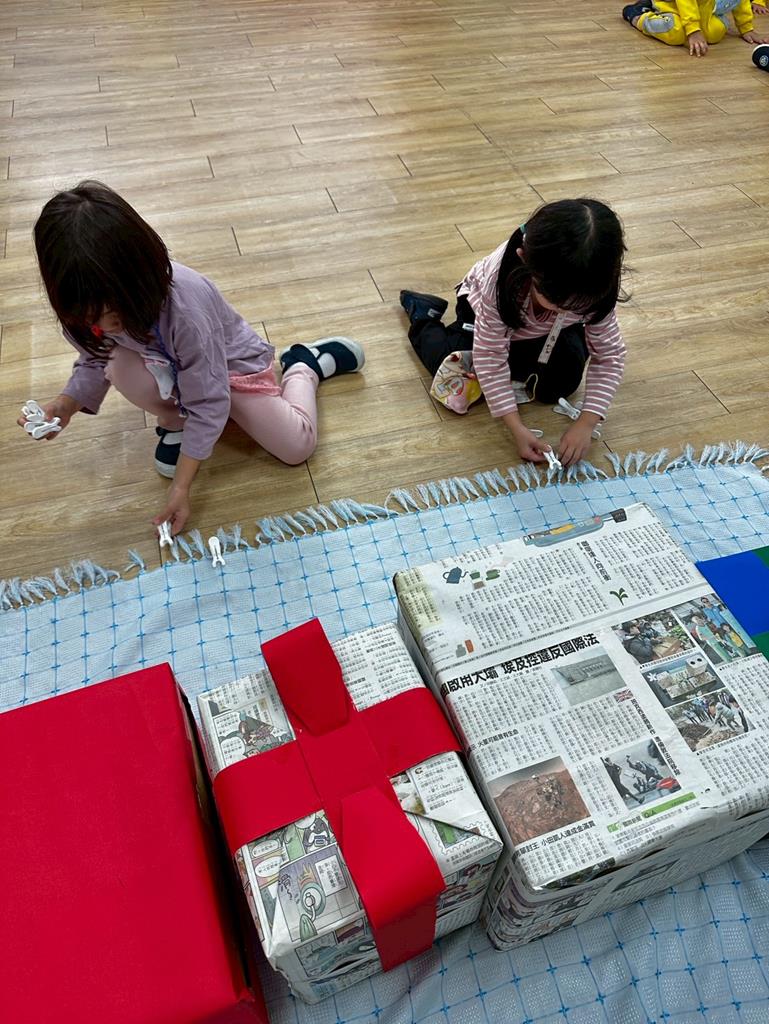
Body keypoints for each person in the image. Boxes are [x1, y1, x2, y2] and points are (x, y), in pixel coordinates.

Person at [21, 181, 365, 534]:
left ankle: (304, 365)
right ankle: (178, 421)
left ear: (139, 275)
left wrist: (182, 487)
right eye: (91, 318)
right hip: (172, 367)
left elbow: (210, 399)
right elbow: (95, 359)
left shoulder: (186, 309)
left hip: (231, 369)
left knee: (296, 447)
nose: (104, 325)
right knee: (117, 364)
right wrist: (66, 403)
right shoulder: (83, 305)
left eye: (113, 313)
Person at [399, 199, 627, 467]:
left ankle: (520, 360)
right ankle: (423, 316)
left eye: (578, 306)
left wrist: (587, 422)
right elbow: (490, 356)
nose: (566, 309)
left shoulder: (594, 287)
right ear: (524, 259)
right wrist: (516, 428)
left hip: (546, 330)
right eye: (555, 299)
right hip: (481, 311)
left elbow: (610, 355)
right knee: (449, 366)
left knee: (562, 382)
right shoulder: (499, 284)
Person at [622, 0, 769, 54]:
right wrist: (693, 30)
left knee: (715, 33)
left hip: (703, 10)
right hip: (672, 6)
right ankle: (638, 16)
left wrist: (746, 28)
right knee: (676, 32)